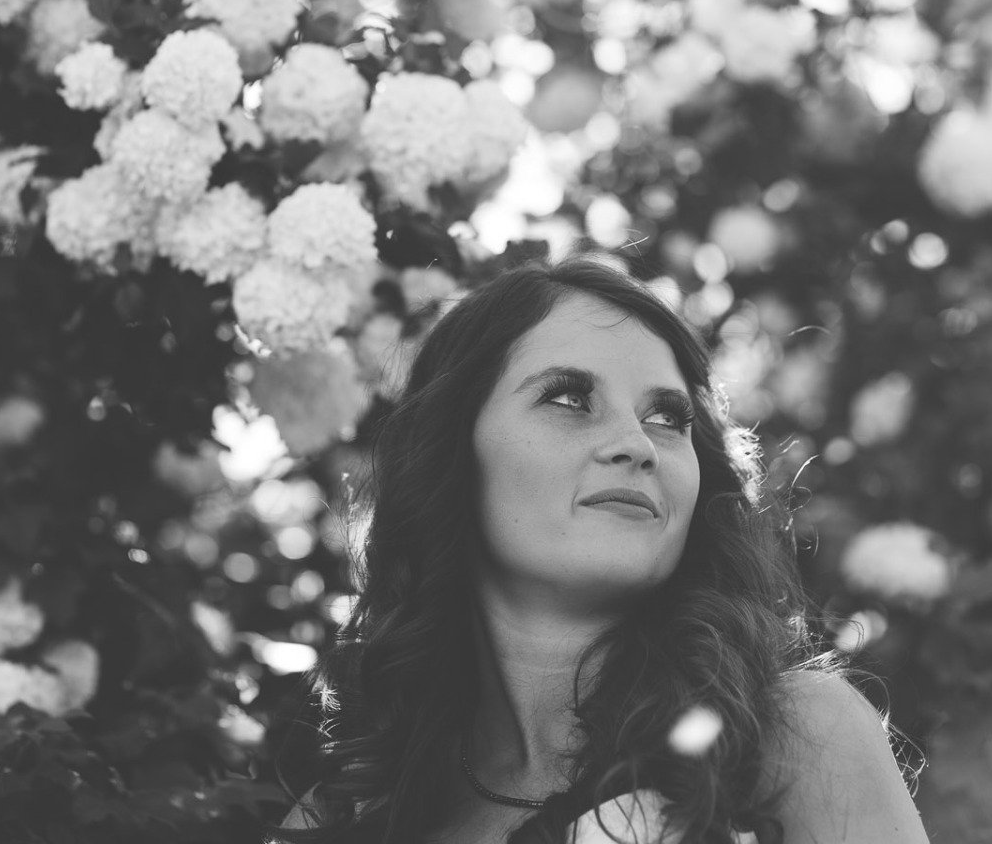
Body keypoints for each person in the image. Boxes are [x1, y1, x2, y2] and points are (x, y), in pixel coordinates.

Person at [268, 258, 930, 843]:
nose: (637, 444)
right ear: (453, 457)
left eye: (666, 417)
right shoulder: (347, 813)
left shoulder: (794, 737)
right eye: (568, 398)